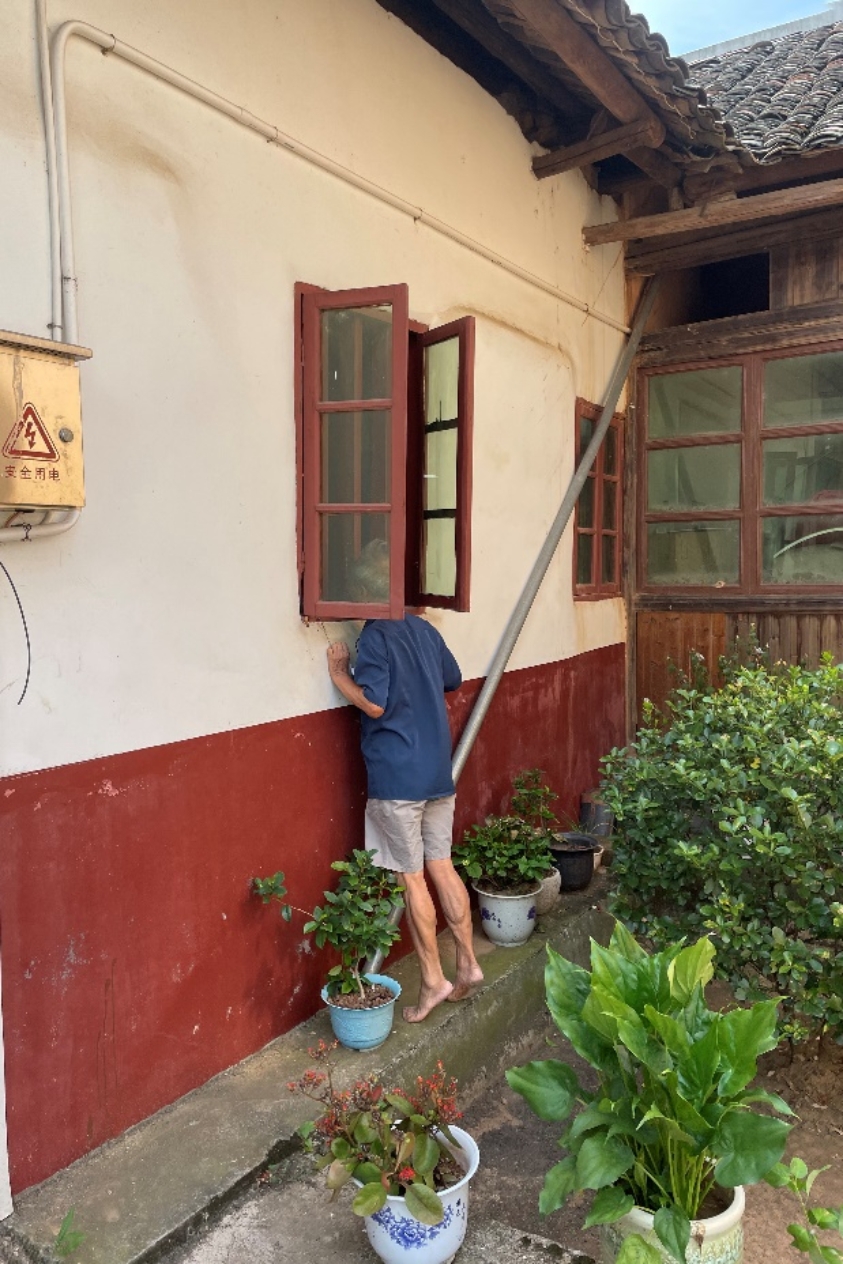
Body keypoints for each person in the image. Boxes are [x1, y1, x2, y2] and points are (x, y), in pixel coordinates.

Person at [326, 575, 483, 1023]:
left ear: (363, 596)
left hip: (397, 778)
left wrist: (339, 675)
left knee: (412, 880)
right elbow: (453, 678)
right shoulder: (423, 628)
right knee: (442, 866)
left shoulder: (375, 635)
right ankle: (468, 964)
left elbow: (374, 704)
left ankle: (434, 980)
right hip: (436, 771)